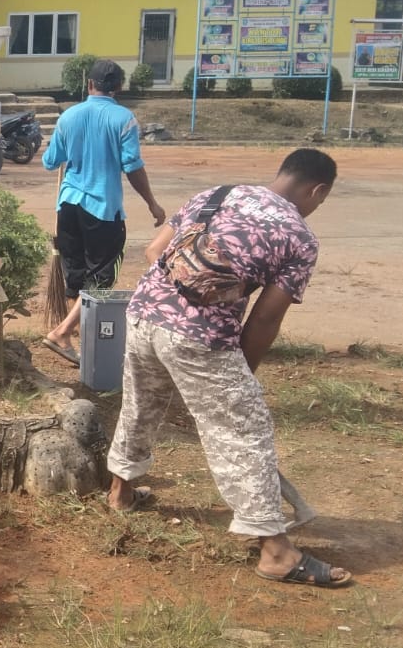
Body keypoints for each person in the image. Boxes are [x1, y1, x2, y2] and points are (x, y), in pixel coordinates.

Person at [105, 148, 349, 588]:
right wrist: (244, 373)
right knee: (243, 431)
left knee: (141, 403)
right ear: (318, 190)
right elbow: (265, 318)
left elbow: (154, 250)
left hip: (142, 312)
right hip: (200, 335)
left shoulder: (217, 193)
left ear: (281, 175)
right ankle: (276, 552)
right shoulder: (299, 237)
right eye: (320, 200)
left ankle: (120, 492)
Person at [41, 59, 166, 364]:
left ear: (89, 85)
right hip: (103, 210)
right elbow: (132, 166)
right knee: (99, 280)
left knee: (76, 276)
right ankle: (63, 331)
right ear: (119, 87)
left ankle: (76, 343)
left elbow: (49, 160)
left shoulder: (68, 116)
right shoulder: (123, 119)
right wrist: (152, 202)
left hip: (68, 205)